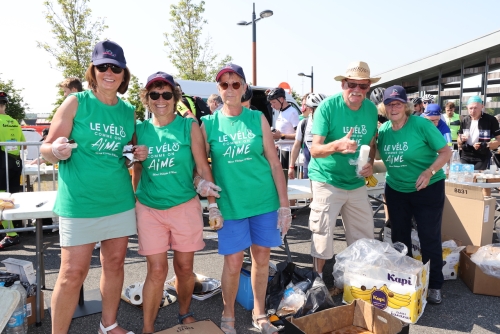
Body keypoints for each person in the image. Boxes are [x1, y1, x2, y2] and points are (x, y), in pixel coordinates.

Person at [41, 40, 148, 334]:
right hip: (80, 202)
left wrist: (134, 153)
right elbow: (47, 148)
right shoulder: (76, 102)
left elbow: (124, 153)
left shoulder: (128, 111)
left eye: (116, 67)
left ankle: (108, 324)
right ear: (94, 70)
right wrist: (57, 150)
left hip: (118, 200)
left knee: (114, 264)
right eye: (103, 66)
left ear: (124, 74)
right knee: (71, 273)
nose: (109, 72)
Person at [201, 63, 290, 334]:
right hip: (231, 205)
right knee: (233, 262)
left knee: (262, 258)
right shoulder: (208, 123)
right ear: (218, 88)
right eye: (224, 85)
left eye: (235, 84)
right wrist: (203, 188)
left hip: (264, 201)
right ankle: (227, 313)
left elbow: (275, 164)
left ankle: (259, 313)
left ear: (243, 87)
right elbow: (199, 166)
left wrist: (284, 206)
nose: (229, 89)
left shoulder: (257, 119)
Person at [133, 71, 221, 333]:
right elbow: (135, 169)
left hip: (184, 206)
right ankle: (148, 327)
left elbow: (202, 168)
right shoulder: (139, 130)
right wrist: (132, 195)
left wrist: (212, 203)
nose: (161, 99)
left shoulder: (188, 126)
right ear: (147, 98)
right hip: (150, 208)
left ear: (175, 97)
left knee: (184, 268)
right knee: (157, 270)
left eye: (166, 94)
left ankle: (184, 312)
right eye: (154, 94)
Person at [377, 85, 452, 304]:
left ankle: (435, 284)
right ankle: (406, 281)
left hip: (427, 188)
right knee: (400, 238)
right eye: (389, 104)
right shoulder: (383, 131)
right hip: (397, 190)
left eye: (398, 103)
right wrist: (366, 167)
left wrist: (429, 171)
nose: (394, 108)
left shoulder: (421, 124)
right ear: (384, 107)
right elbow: (387, 162)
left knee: (429, 237)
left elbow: (446, 151)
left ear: (406, 106)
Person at [308, 61, 378, 277]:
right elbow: (315, 149)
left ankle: (358, 279)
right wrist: (336, 146)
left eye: (363, 86)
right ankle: (318, 281)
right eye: (351, 84)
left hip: (355, 181)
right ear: (343, 84)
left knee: (364, 234)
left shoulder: (371, 109)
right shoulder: (327, 107)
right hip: (326, 179)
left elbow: (372, 143)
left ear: (368, 88)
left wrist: (370, 164)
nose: (356, 90)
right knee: (323, 233)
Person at [0, 91, 26, 250]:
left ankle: (12, 234)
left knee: (2, 200)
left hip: (2, 162)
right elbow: (24, 145)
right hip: (15, 162)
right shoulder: (14, 121)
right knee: (9, 198)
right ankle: (12, 233)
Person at [288, 93, 326, 180]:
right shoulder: (304, 124)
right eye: (318, 109)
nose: (322, 111)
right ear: (310, 109)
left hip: (326, 168)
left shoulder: (330, 123)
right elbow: (297, 146)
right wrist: (291, 167)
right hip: (309, 167)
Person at [458, 96, 500, 170]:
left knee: (477, 178)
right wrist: (461, 139)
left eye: (475, 108)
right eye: (470, 108)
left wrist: (486, 144)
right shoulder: (465, 120)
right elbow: (459, 138)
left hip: (481, 155)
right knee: (464, 177)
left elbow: (499, 139)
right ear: (467, 108)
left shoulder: (490, 120)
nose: (473, 111)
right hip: (466, 154)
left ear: (482, 107)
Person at [267, 87, 300, 179]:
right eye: (271, 103)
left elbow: (299, 135)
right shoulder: (281, 112)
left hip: (289, 152)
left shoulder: (292, 112)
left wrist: (281, 136)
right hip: (281, 149)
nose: (272, 106)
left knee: (287, 181)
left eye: (273, 102)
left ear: (281, 99)